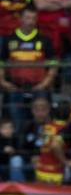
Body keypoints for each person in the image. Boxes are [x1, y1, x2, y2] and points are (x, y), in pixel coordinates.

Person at [0, 7, 57, 139]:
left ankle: (41, 147)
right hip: (15, 87)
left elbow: (53, 65)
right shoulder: (9, 40)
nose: (30, 22)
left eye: (33, 18)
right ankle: (17, 148)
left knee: (42, 122)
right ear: (20, 19)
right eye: (27, 18)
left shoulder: (44, 40)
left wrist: (45, 84)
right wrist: (3, 82)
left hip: (39, 86)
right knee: (16, 121)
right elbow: (1, 63)